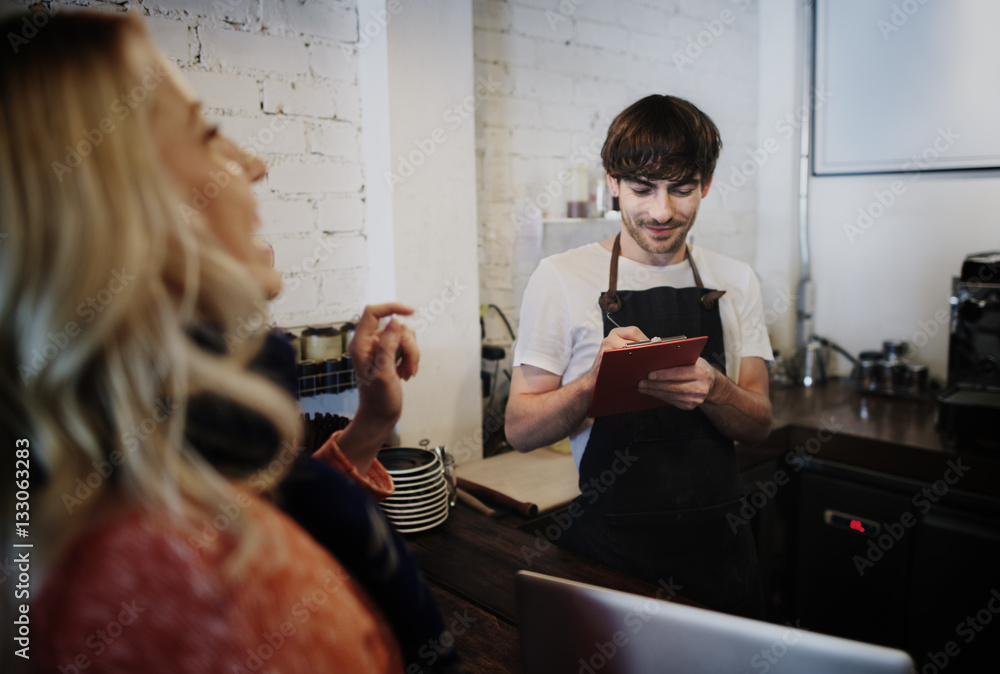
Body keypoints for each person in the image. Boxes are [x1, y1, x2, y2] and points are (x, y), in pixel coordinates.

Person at [0, 11, 461, 673]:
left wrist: (371, 424)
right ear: (111, 205)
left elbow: (264, 499)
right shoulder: (205, 579)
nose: (252, 165)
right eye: (208, 134)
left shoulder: (119, 458)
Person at [505, 94, 774, 618]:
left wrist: (716, 389)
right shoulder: (561, 278)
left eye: (682, 189)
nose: (661, 211)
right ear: (612, 182)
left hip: (719, 558)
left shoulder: (736, 280)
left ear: (707, 186)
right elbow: (520, 429)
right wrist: (592, 384)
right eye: (642, 188)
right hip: (611, 557)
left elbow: (760, 424)